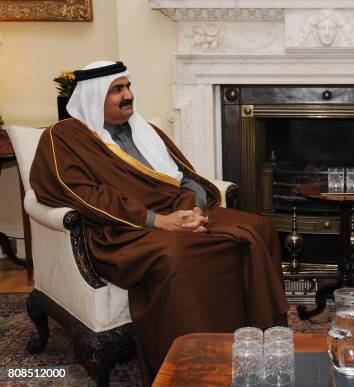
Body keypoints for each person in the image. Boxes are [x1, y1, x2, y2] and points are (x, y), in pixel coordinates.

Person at [29, 61, 289, 384]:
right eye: (117, 90)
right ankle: (193, 368)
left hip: (179, 211)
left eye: (128, 87)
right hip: (122, 231)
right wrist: (158, 222)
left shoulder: (145, 129)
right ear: (94, 97)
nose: (129, 95)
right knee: (179, 258)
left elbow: (185, 178)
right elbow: (83, 195)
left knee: (259, 229)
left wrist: (193, 211)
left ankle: (257, 343)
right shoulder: (64, 137)